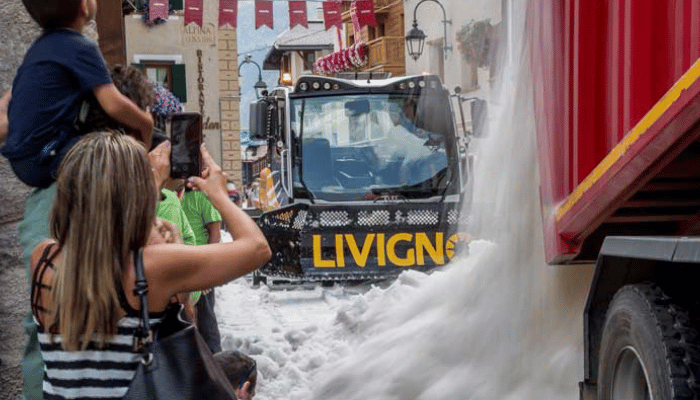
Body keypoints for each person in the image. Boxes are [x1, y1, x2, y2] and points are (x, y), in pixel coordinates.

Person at [29, 131, 271, 398]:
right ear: (133, 194)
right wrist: (219, 194)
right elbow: (257, 248)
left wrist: (147, 182)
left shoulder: (43, 259)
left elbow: (106, 240)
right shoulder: (149, 269)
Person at [1, 0, 153, 189]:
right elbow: (113, 104)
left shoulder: (38, 49)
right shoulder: (81, 48)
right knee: (113, 149)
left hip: (21, 161)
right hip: (47, 156)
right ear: (84, 5)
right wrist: (145, 123)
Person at [181, 187, 224, 353]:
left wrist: (208, 270)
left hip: (200, 267)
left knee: (206, 318)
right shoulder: (168, 197)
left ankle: (214, 360)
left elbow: (215, 231)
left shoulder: (201, 197)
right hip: (178, 267)